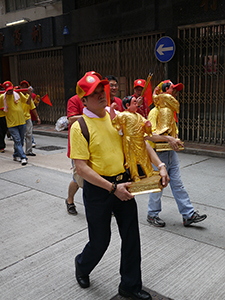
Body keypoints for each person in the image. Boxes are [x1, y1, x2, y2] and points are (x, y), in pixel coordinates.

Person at [70, 72, 169, 300]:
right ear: (83, 100)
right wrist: (112, 188)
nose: (101, 96)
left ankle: (130, 286)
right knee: (100, 241)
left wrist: (160, 165)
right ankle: (82, 265)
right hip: (99, 189)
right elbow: (82, 168)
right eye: (93, 94)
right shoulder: (80, 127)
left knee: (131, 236)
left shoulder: (117, 117)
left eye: (101, 91)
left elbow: (139, 143)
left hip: (124, 182)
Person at [146, 80, 207, 227]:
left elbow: (174, 134)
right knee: (158, 185)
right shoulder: (155, 111)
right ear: (162, 92)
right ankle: (152, 214)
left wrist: (175, 141)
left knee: (178, 185)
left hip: (171, 154)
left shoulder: (170, 112)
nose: (173, 93)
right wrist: (167, 138)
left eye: (174, 90)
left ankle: (188, 214)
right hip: (158, 156)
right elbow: (149, 135)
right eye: (171, 89)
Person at [65, 71, 101, 215]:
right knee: (79, 180)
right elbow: (71, 119)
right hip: (79, 148)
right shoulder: (74, 100)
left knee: (96, 179)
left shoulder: (104, 100)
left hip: (96, 147)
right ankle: (69, 200)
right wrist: (92, 114)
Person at [110, 96, 153, 182]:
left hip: (140, 140)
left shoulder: (138, 116)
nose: (137, 105)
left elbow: (144, 124)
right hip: (129, 140)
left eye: (137, 103)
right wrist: (111, 110)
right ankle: (134, 175)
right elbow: (115, 121)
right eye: (134, 103)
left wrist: (147, 125)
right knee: (131, 160)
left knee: (144, 157)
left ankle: (149, 172)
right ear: (127, 105)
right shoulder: (124, 115)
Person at [2, 81, 32, 165]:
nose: (10, 91)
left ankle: (15, 154)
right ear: (5, 90)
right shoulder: (2, 98)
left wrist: (30, 94)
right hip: (12, 124)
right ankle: (23, 157)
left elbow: (28, 102)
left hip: (22, 122)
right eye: (8, 90)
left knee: (21, 141)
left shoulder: (18, 94)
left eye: (11, 89)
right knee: (18, 140)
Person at [20, 80, 41, 156]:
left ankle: (28, 151)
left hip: (27, 117)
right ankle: (19, 151)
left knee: (29, 134)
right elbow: (27, 102)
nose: (24, 88)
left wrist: (37, 117)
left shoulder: (29, 97)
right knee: (20, 136)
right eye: (23, 86)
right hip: (19, 118)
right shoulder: (18, 95)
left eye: (26, 86)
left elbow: (33, 107)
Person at [0, 84, 7, 153]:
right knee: (0, 132)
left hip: (4, 116)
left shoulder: (3, 95)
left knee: (4, 130)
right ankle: (1, 146)